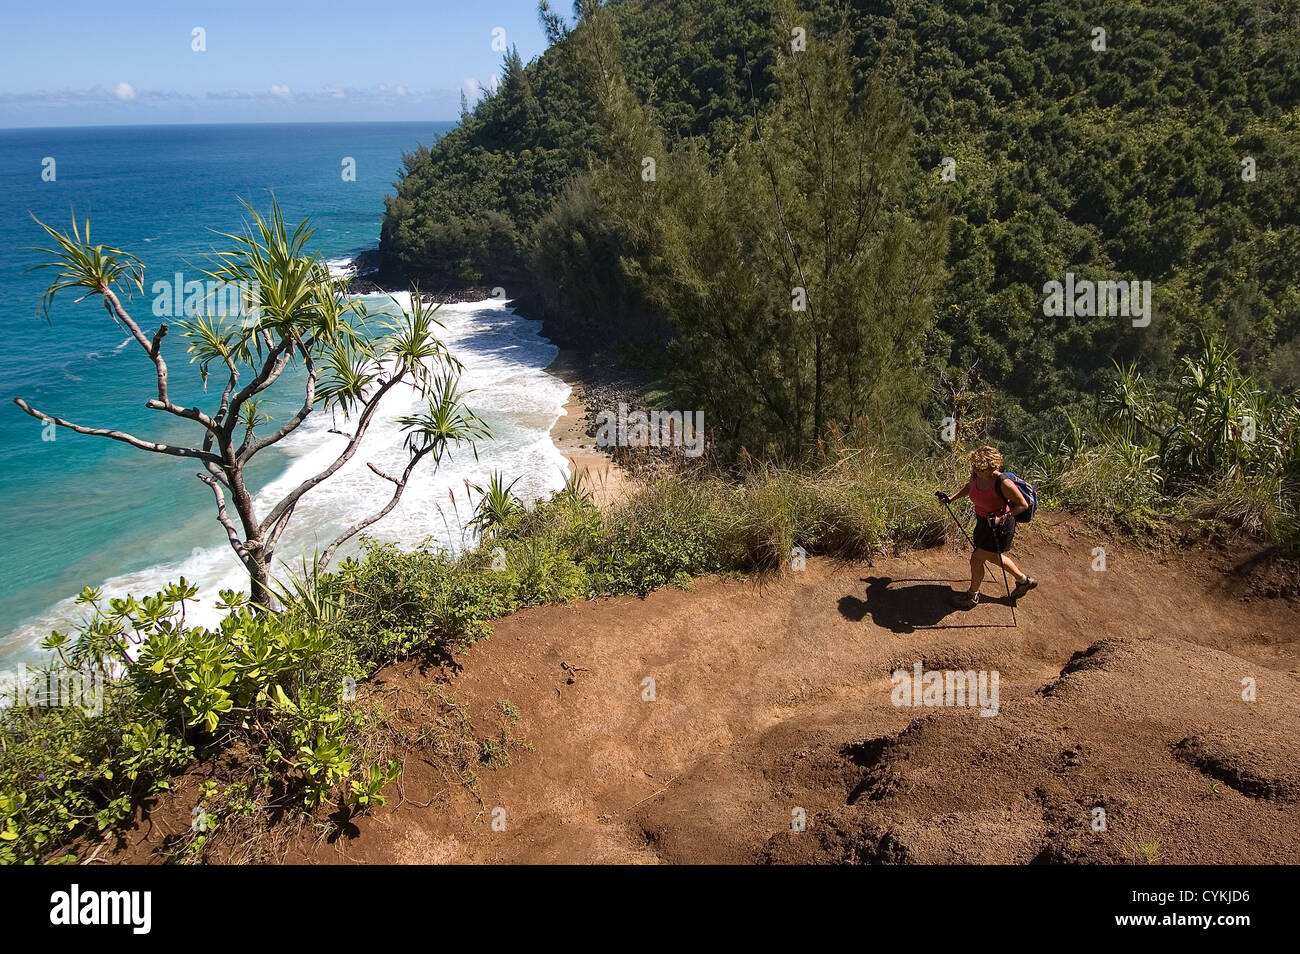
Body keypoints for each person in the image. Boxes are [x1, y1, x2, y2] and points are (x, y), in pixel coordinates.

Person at [937, 445, 1037, 609]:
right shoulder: (977, 475)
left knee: (976, 559)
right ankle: (1024, 581)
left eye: (980, 468)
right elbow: (969, 488)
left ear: (993, 467)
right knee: (991, 557)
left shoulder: (1004, 483)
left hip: (1000, 527)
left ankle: (972, 596)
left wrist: (1000, 518)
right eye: (975, 466)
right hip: (983, 522)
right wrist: (950, 499)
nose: (976, 470)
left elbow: (1022, 505)